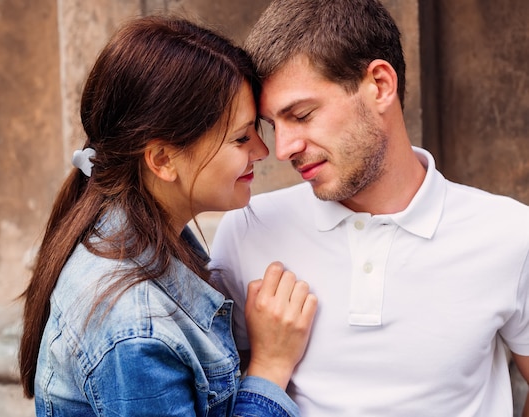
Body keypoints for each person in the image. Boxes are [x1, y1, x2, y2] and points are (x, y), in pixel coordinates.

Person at [210, 0, 529, 415]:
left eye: (302, 115)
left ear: (379, 84)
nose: (283, 148)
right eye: (274, 125)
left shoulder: (509, 234)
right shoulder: (246, 229)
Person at [18, 15, 318, 417]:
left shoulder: (141, 239)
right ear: (162, 159)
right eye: (242, 138)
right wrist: (270, 368)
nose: (264, 153)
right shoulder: (134, 329)